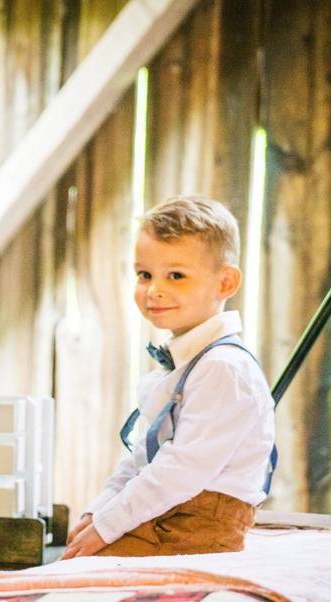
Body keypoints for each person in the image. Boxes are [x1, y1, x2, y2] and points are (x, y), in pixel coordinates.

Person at [62, 195, 275, 558]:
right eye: (145, 274)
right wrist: (99, 510)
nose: (154, 290)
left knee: (82, 567)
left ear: (225, 283)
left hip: (199, 523)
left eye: (176, 275)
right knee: (75, 555)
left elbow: (181, 470)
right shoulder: (187, 363)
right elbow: (143, 457)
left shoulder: (222, 369)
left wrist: (107, 526)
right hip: (169, 509)